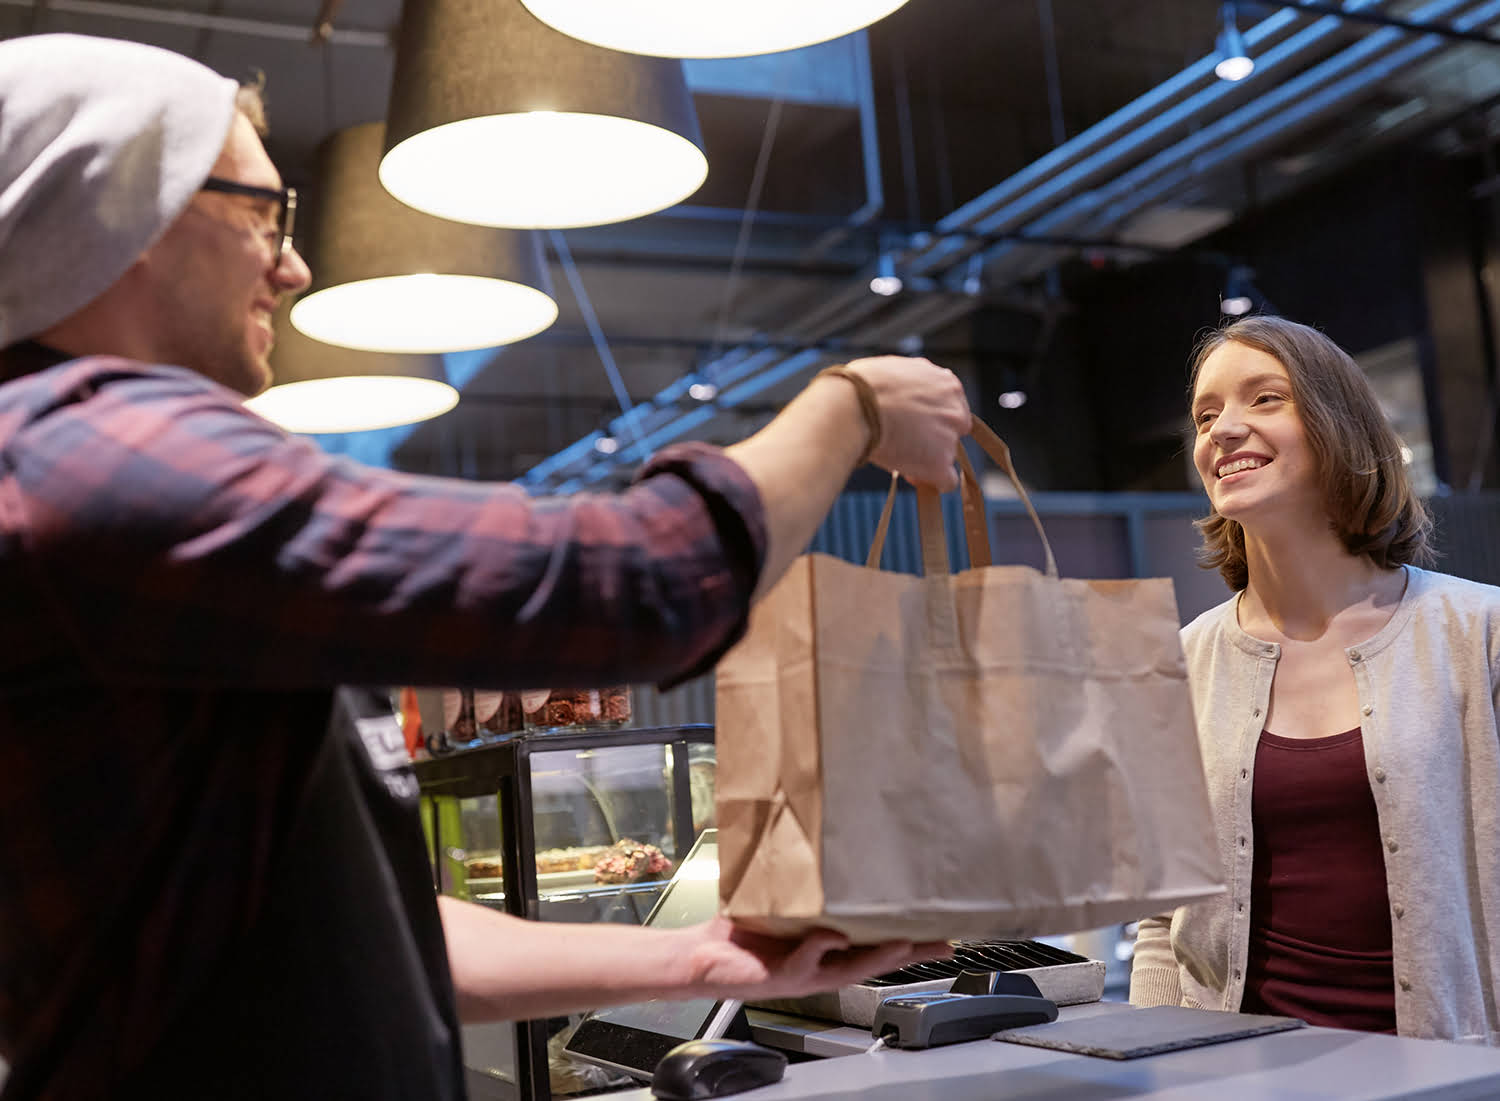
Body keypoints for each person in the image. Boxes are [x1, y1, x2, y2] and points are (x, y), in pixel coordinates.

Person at [0, 33, 972, 1098]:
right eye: (262, 213)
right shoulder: (87, 462)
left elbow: (380, 926)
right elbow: (635, 581)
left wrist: (698, 958)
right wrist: (852, 406)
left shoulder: (99, 490)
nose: (294, 264)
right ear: (121, 207)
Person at [1129, 314, 1500, 1046]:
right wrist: (1156, 1060)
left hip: (1447, 1074)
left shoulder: (1478, 633)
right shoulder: (1182, 660)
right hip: (1232, 1075)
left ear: (1341, 428)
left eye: (1265, 399)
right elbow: (1159, 912)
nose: (1222, 430)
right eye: (1207, 414)